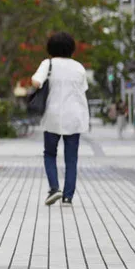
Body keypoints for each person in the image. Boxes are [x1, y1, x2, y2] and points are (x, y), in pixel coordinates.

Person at [31, 31, 90, 207]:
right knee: (71, 158)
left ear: (51, 48)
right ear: (71, 48)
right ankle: (68, 196)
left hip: (52, 116)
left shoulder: (47, 64)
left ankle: (54, 188)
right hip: (75, 116)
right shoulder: (79, 67)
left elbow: (36, 82)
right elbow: (83, 88)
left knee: (50, 154)